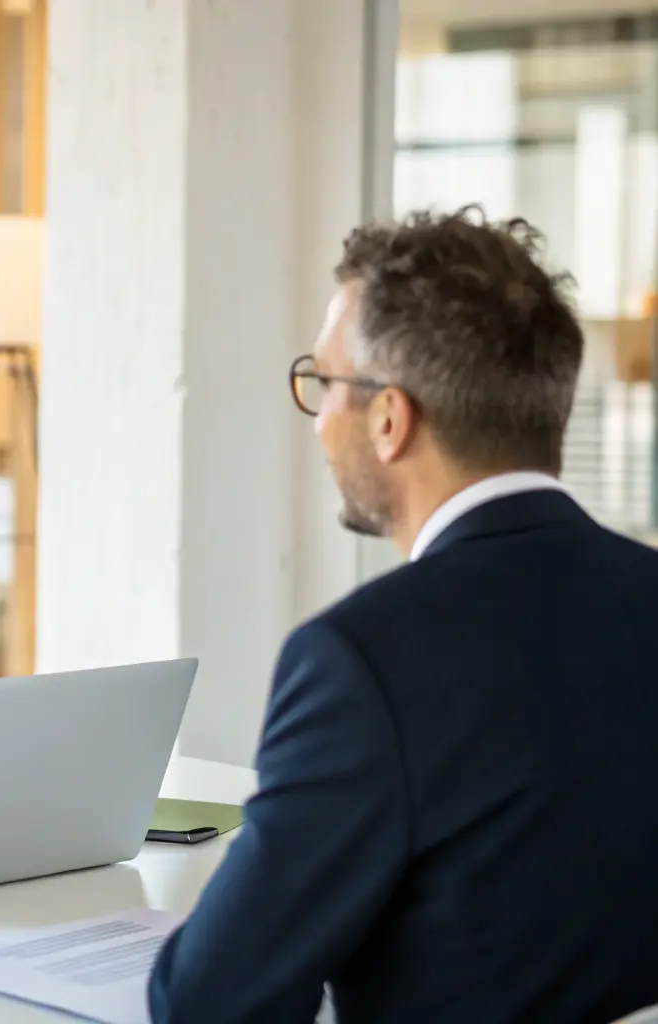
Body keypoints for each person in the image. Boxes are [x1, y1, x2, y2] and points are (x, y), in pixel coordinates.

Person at [149, 207, 658, 1023]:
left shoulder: (360, 661)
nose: (317, 419)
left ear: (389, 419)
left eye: (323, 384)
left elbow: (208, 1003)